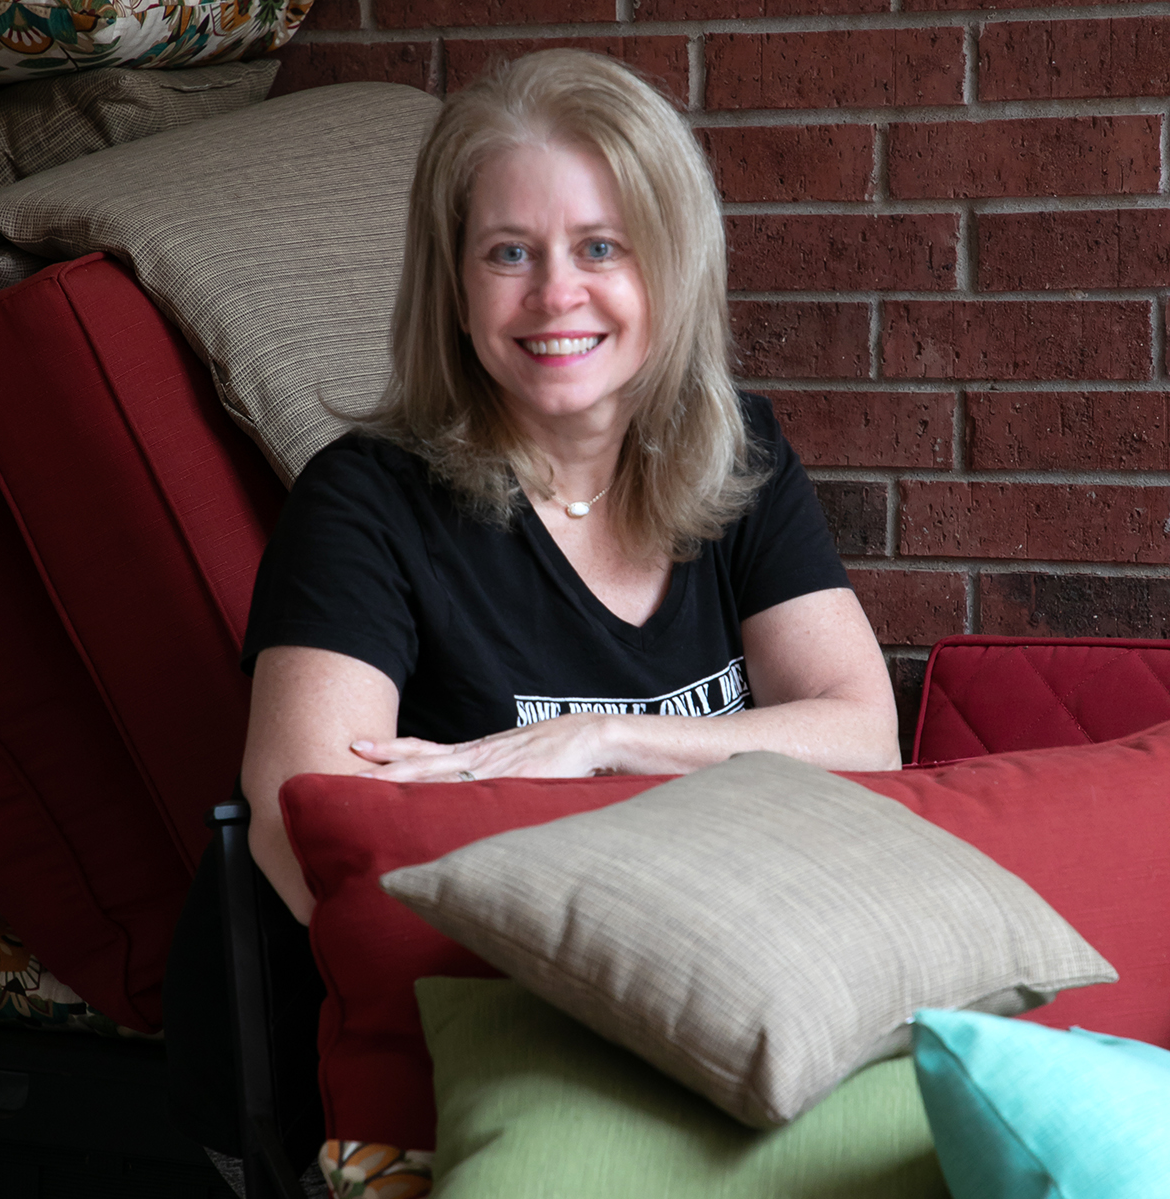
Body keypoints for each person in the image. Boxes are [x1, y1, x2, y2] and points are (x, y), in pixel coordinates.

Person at [238, 48, 900, 929]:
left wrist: (600, 741)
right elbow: (313, 837)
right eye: (509, 253)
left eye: (600, 248)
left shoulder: (739, 454)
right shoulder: (361, 504)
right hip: (469, 975)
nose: (556, 295)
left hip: (704, 940)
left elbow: (865, 741)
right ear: (455, 289)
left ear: (670, 270)